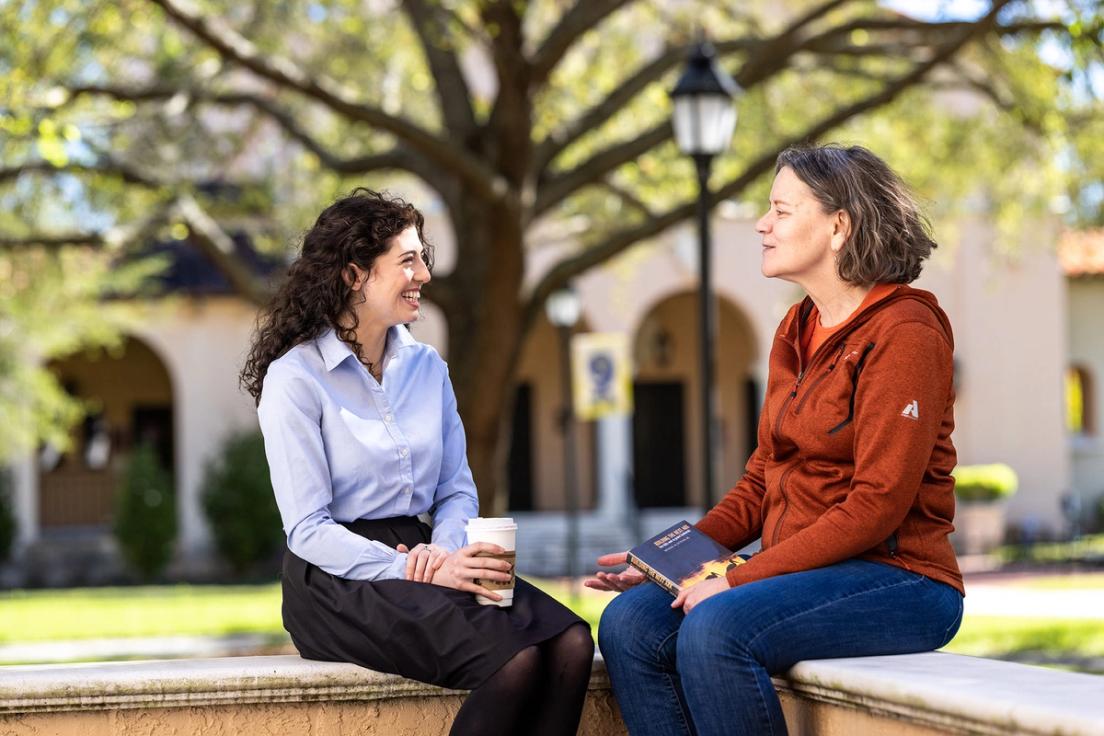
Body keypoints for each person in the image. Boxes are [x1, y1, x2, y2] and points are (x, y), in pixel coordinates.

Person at [587, 144, 964, 736]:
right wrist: (671, 563)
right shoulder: (799, 326)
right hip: (810, 571)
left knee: (717, 629)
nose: (763, 224)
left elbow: (876, 506)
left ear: (840, 226)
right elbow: (765, 475)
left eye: (782, 211)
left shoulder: (906, 332)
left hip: (901, 580)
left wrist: (733, 579)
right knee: (630, 623)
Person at [241, 188, 593, 736]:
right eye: (408, 260)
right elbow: (308, 530)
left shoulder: (427, 367)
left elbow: (456, 490)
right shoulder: (296, 378)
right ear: (355, 275)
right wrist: (414, 567)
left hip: (429, 550)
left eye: (422, 257)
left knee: (570, 641)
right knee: (514, 659)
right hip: (336, 578)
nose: (424, 274)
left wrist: (445, 554)